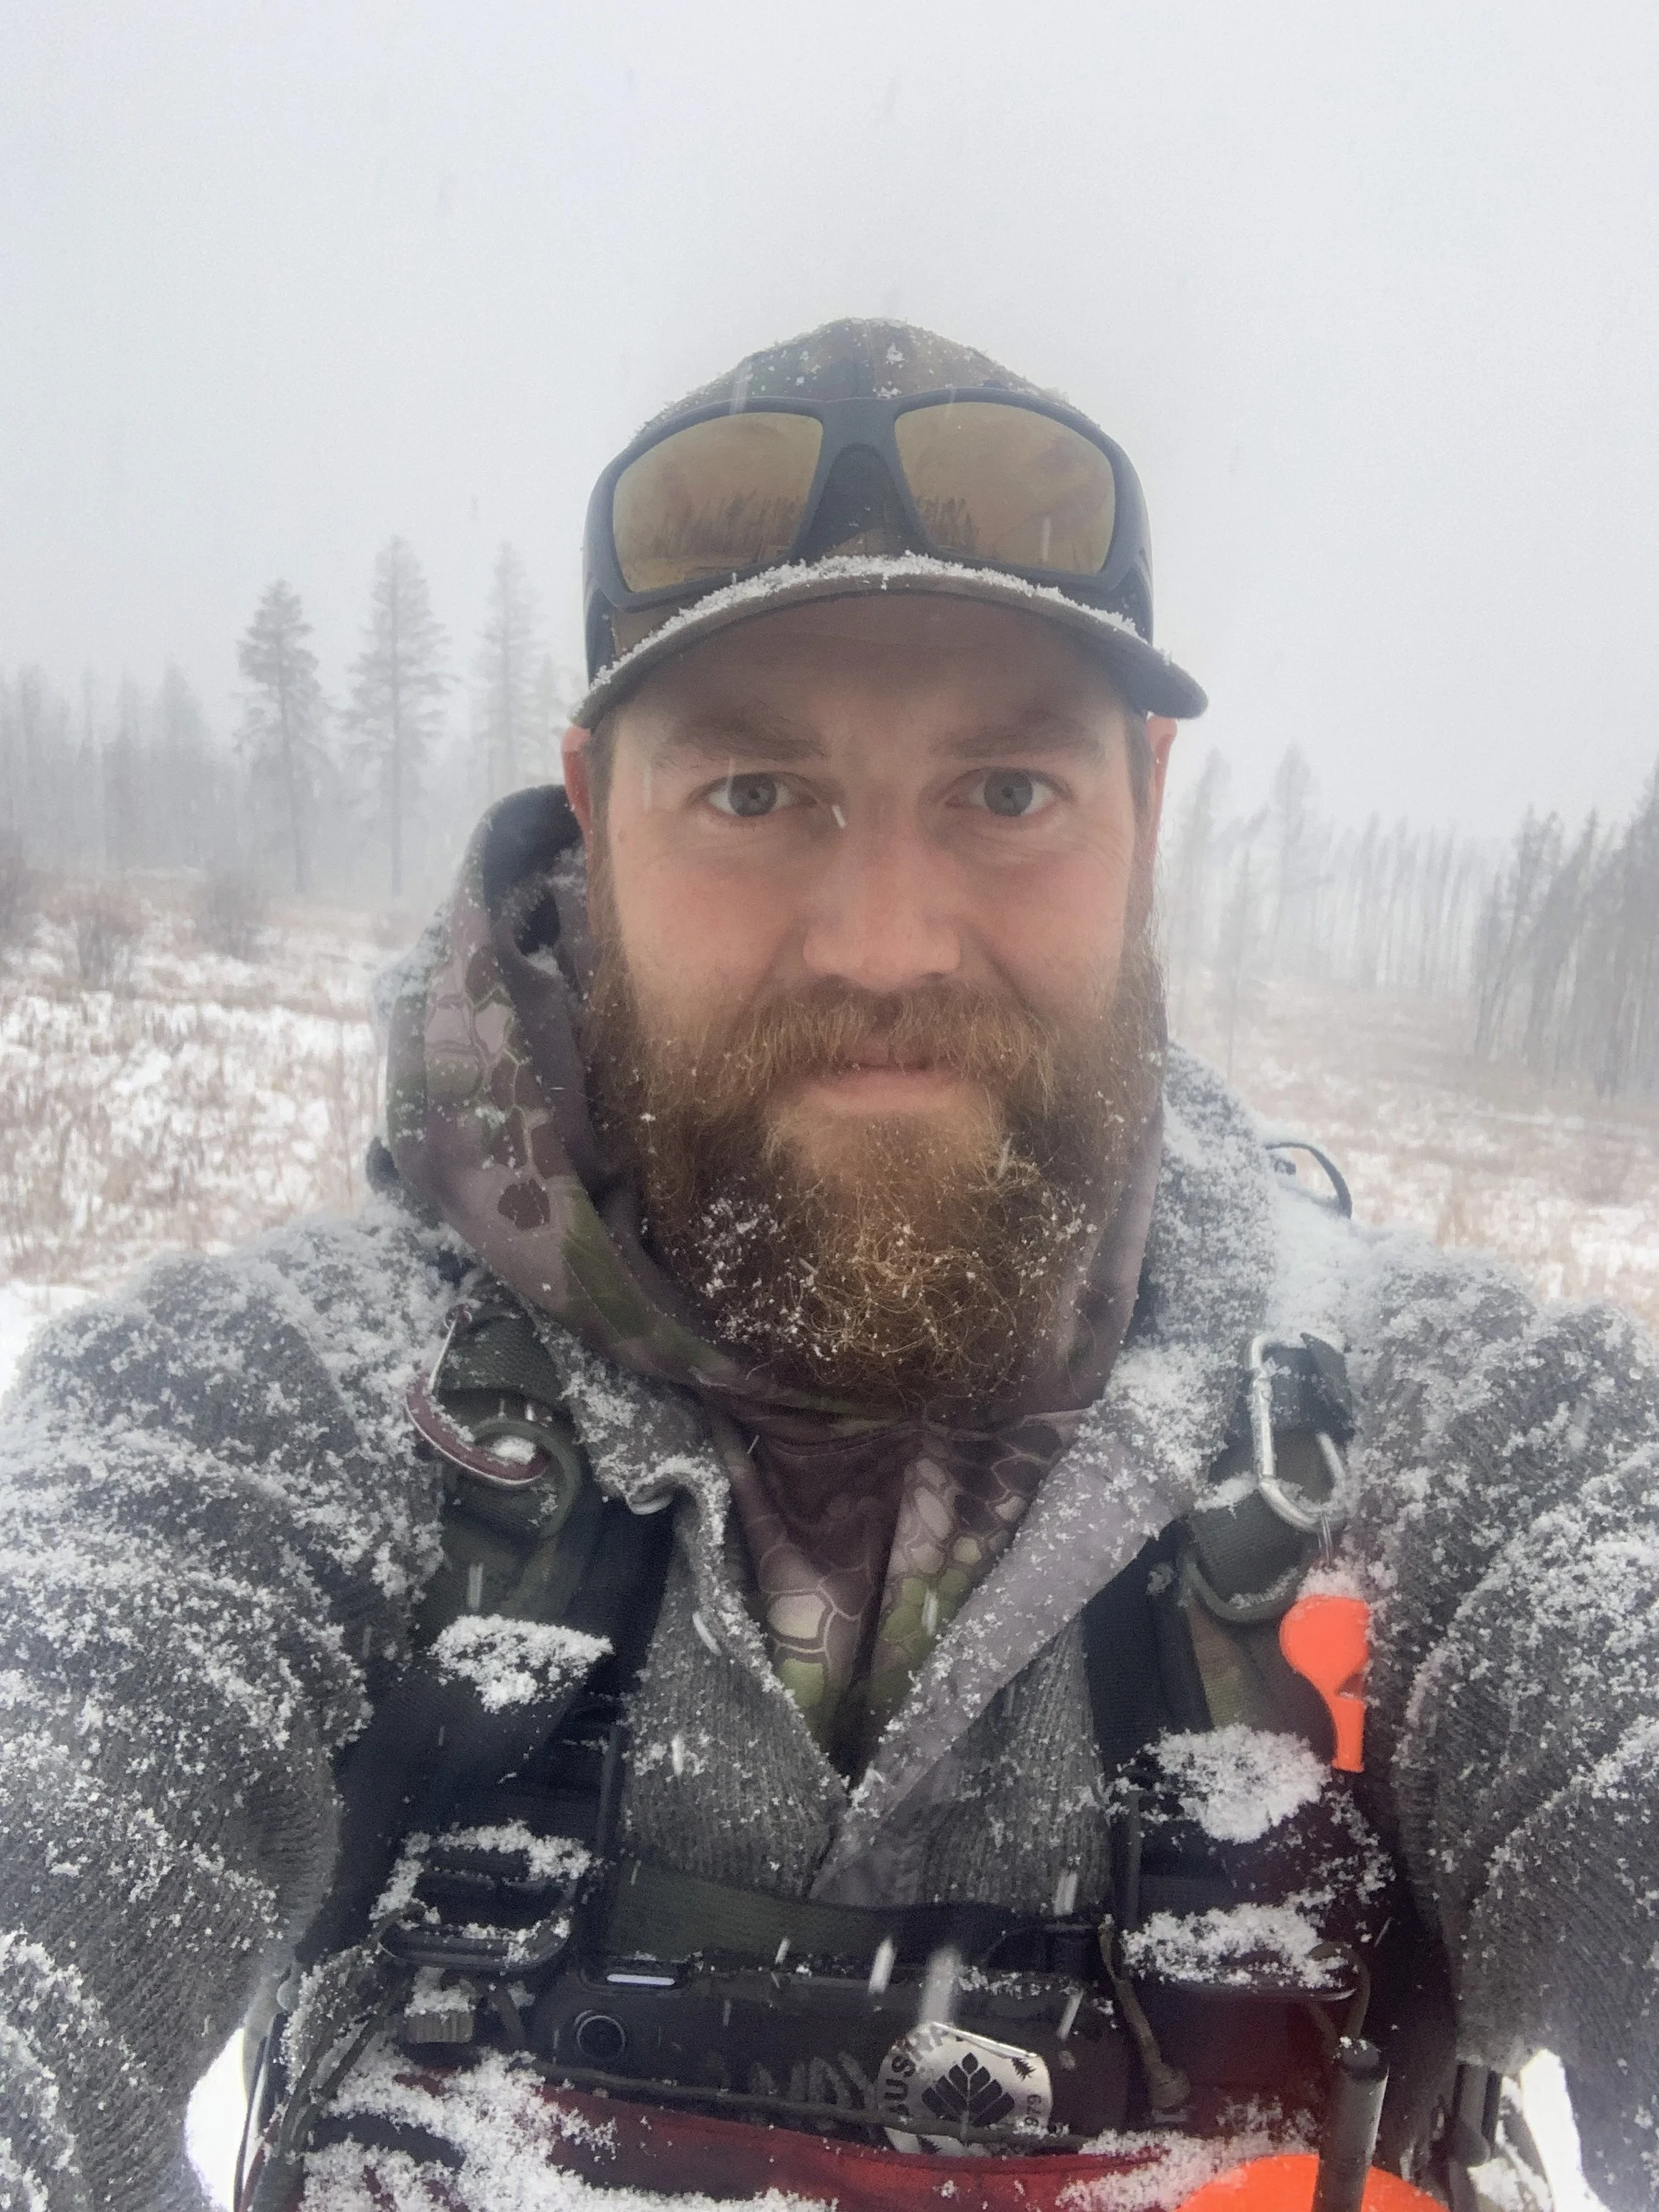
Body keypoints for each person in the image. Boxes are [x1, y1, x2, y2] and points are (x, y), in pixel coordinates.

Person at [1, 319, 1655, 2212]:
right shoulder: (271, 1412)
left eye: (1005, 793)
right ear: (592, 807)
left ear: (1147, 806)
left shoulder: (1457, 1438)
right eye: (754, 794)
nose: (885, 942)